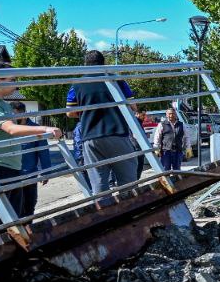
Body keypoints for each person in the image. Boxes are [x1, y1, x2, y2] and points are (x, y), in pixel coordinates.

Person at [0, 64, 62, 230]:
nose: (16, 84)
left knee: (14, 219)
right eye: (12, 80)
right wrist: (44, 129)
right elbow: (11, 129)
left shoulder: (2, 103)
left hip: (9, 166)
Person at [66, 50, 140, 194]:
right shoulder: (116, 80)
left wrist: (89, 111)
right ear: (103, 63)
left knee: (99, 184)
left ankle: (105, 212)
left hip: (90, 138)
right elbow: (133, 107)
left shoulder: (77, 84)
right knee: (128, 182)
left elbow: (69, 112)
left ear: (85, 65)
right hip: (117, 134)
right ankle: (130, 212)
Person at [11, 102, 57, 216]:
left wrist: (46, 172)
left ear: (24, 114)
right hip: (11, 175)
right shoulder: (7, 130)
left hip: (29, 174)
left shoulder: (35, 129)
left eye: (16, 115)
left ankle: (29, 230)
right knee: (13, 209)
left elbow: (43, 152)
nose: (13, 118)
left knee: (29, 206)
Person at [151, 106, 187, 172]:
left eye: (173, 113)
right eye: (169, 114)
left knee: (177, 171)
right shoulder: (162, 124)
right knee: (165, 170)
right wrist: (156, 148)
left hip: (177, 151)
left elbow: (186, 137)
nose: (171, 115)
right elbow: (157, 137)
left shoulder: (181, 124)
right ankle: (167, 182)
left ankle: (176, 182)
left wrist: (188, 148)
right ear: (166, 115)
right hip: (166, 151)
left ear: (175, 114)